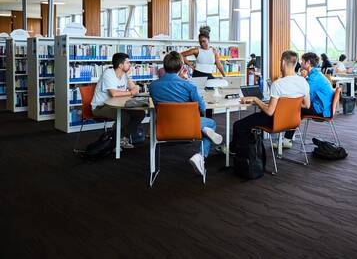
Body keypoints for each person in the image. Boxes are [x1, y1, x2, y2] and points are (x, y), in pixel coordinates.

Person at [149, 51, 222, 181]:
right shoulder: (188, 86)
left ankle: (153, 170)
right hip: (188, 128)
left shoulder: (152, 86)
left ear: (164, 66)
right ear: (181, 67)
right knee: (210, 123)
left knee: (205, 125)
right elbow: (202, 108)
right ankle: (200, 155)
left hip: (163, 128)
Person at [233, 50, 310, 149]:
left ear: (282, 62)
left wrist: (255, 99)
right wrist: (288, 105)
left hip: (276, 121)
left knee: (239, 125)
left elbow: (269, 112)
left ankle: (238, 152)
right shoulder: (303, 81)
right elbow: (307, 105)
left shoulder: (278, 84)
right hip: (293, 121)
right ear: (296, 63)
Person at [91, 53, 145, 149]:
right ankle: (113, 140)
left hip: (119, 105)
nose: (130, 65)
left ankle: (122, 137)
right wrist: (131, 93)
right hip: (101, 107)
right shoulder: (108, 73)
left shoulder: (124, 75)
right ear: (120, 65)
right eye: (128, 63)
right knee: (124, 116)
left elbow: (135, 89)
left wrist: (128, 78)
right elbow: (114, 94)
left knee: (140, 113)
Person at [283, 52, 335, 148]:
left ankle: (287, 139)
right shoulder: (315, 74)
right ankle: (289, 136)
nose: (300, 63)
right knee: (297, 110)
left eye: (302, 61)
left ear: (308, 63)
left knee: (294, 110)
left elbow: (302, 93)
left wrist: (301, 78)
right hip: (323, 106)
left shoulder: (314, 78)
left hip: (321, 109)